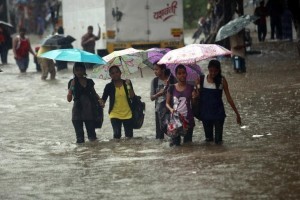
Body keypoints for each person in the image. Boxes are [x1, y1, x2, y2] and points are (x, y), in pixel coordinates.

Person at [198, 60, 241, 144]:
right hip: (206, 114)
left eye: (215, 71)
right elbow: (197, 96)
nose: (213, 73)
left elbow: (229, 98)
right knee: (208, 140)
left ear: (219, 70)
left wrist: (237, 114)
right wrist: (197, 87)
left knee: (218, 141)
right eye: (211, 71)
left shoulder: (222, 80)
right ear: (208, 69)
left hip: (219, 114)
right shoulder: (202, 79)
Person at [67, 62, 100, 143]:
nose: (79, 72)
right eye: (76, 70)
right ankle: (81, 154)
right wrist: (71, 87)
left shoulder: (89, 81)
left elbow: (94, 94)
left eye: (81, 70)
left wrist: (100, 101)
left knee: (92, 137)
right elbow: (69, 99)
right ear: (74, 71)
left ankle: (93, 153)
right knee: (80, 139)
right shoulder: (72, 82)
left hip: (89, 111)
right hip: (77, 112)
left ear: (84, 71)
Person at [166, 64, 198, 146]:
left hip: (188, 120)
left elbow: (194, 104)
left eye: (183, 73)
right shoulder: (171, 87)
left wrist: (195, 97)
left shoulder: (191, 87)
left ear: (186, 74)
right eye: (179, 73)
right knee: (176, 145)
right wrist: (171, 109)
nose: (182, 75)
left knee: (188, 144)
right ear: (176, 75)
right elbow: (167, 103)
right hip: (175, 119)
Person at [100, 65, 135, 139]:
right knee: (116, 136)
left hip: (128, 113)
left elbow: (132, 96)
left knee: (129, 137)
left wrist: (128, 85)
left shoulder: (127, 83)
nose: (115, 74)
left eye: (117, 72)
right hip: (114, 114)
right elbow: (104, 99)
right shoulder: (108, 86)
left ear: (120, 73)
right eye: (112, 73)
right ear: (110, 75)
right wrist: (101, 102)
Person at [150, 63, 176, 139]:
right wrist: (159, 94)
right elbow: (151, 98)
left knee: (173, 130)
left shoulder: (172, 79)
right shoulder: (154, 81)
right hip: (159, 110)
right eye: (154, 69)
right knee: (159, 135)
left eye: (156, 69)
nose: (155, 71)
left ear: (163, 70)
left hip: (170, 109)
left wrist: (169, 86)